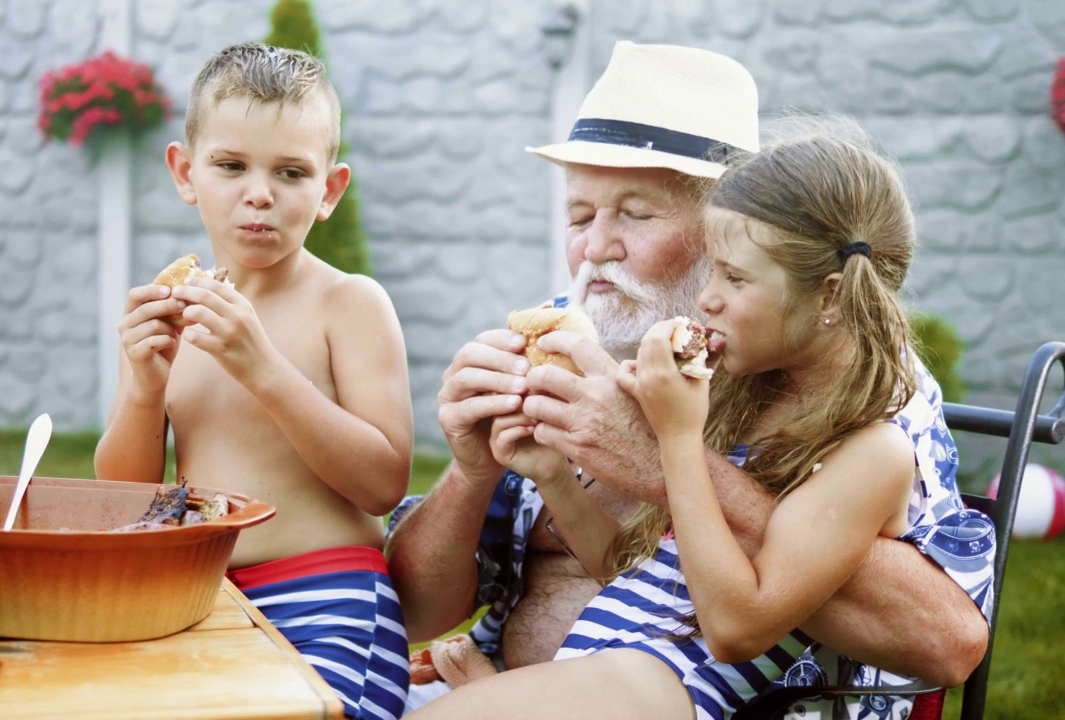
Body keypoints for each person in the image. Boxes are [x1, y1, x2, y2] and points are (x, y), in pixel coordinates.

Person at [386, 42, 993, 717]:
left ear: (734, 231)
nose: (595, 248)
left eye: (636, 214)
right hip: (511, 679)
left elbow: (950, 645)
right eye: (581, 216)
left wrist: (663, 461)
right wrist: (470, 475)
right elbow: (412, 616)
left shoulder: (853, 385)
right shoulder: (559, 339)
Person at [94, 42, 413, 720]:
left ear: (329, 190)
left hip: (330, 602)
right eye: (231, 165)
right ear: (186, 173)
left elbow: (382, 481)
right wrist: (144, 392)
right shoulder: (170, 313)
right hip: (199, 601)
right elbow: (126, 503)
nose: (258, 194)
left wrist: (263, 368)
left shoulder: (348, 304)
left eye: (291, 172)